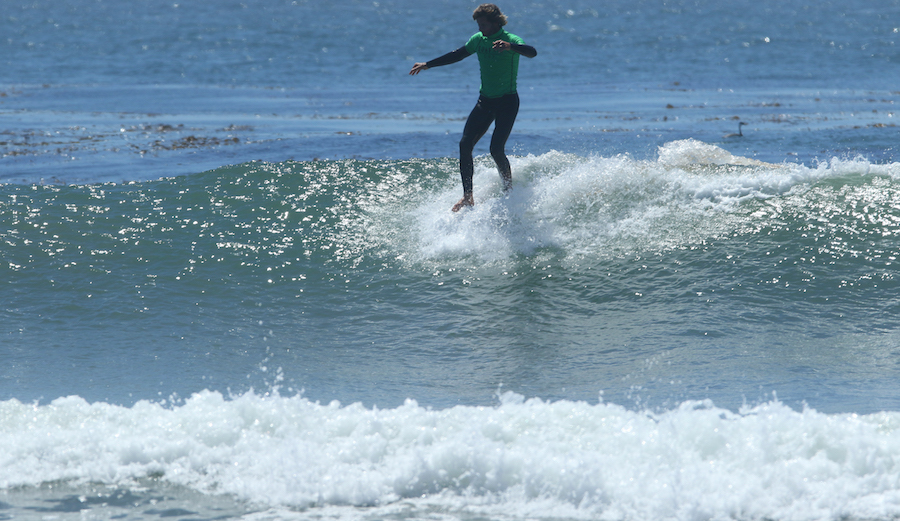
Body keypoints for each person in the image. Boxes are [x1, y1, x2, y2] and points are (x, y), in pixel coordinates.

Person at [410, 4, 537, 212]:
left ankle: (508, 190)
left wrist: (509, 47)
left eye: (484, 24)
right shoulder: (478, 40)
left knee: (496, 149)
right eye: (479, 24)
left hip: (507, 101)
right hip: (485, 101)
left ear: (496, 22)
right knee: (465, 144)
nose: (481, 28)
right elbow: (457, 55)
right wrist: (428, 64)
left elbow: (532, 52)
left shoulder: (511, 40)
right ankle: (468, 196)